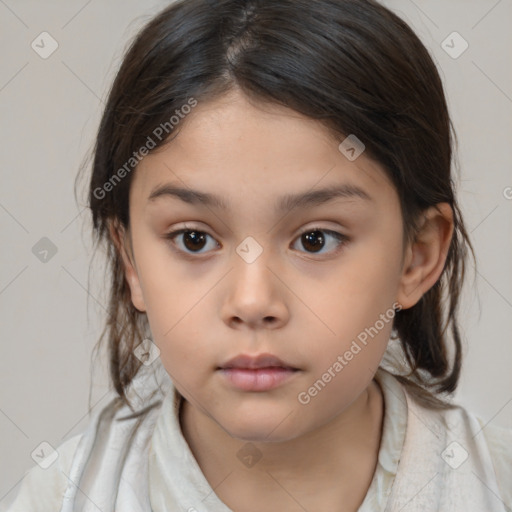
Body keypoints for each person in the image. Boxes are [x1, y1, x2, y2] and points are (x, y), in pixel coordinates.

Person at [4, 0, 511, 511]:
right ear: (131, 259)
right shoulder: (60, 498)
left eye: (316, 239)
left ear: (416, 256)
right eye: (194, 239)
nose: (252, 302)